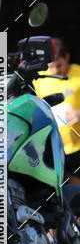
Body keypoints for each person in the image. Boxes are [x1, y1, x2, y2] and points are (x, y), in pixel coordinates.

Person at [34, 38, 80, 185]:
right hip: (57, 148)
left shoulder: (78, 74)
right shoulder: (39, 79)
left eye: (58, 65)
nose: (54, 71)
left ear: (66, 57)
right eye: (51, 66)